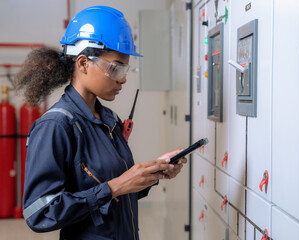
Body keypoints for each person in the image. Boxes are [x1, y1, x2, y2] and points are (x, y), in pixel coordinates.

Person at [15, 6, 186, 240]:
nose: (123, 78)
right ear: (83, 63)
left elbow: (116, 189)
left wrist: (152, 173)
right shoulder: (55, 126)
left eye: (125, 68)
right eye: (115, 67)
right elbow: (39, 213)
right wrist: (115, 186)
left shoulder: (109, 120)